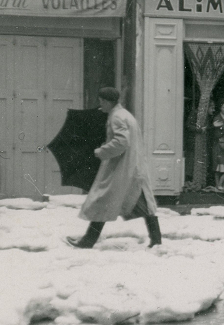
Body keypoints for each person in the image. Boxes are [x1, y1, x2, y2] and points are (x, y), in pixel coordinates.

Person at [66, 87, 161, 249]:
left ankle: (88, 241)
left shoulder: (116, 117)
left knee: (104, 200)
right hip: (132, 168)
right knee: (139, 204)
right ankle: (156, 240)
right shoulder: (125, 115)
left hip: (122, 169)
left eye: (102, 101)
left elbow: (121, 142)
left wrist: (101, 151)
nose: (100, 104)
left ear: (109, 102)